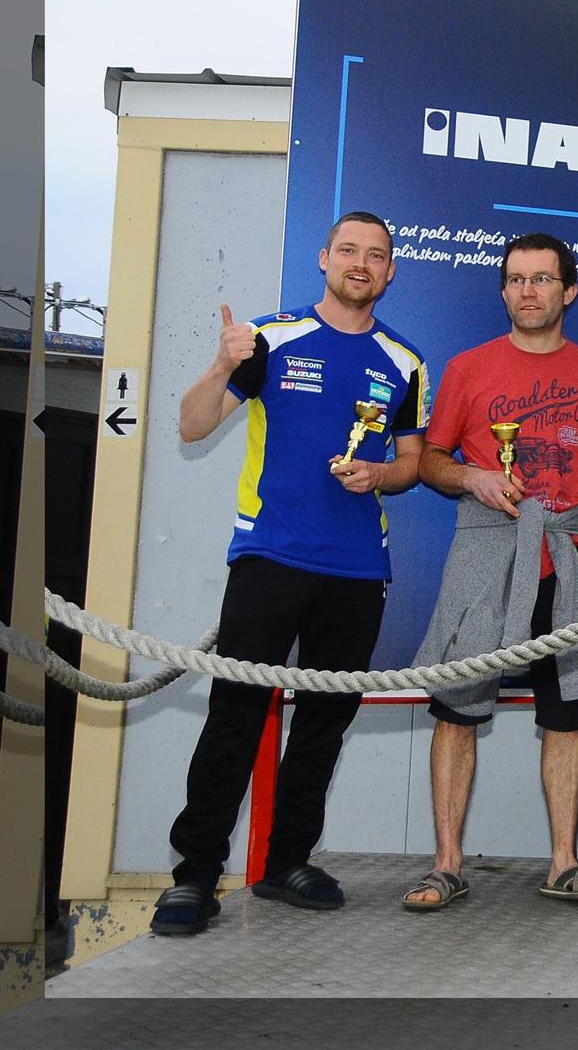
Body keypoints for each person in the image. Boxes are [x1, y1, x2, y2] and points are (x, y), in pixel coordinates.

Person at [153, 212, 428, 935]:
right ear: (324, 258)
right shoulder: (269, 338)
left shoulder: (404, 361)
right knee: (235, 718)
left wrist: (379, 474)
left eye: (376, 255)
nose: (361, 264)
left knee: (322, 727)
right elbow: (191, 426)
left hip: (358, 570)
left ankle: (286, 862)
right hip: (269, 557)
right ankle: (195, 875)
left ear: (391, 271)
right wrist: (221, 365)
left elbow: (410, 463)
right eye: (349, 251)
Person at [399, 233, 578, 911]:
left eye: (541, 279)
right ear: (503, 290)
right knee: (456, 711)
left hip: (565, 562)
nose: (526, 291)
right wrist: (471, 477)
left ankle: (563, 863)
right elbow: (430, 460)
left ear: (569, 290)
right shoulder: (469, 368)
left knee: (565, 715)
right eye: (515, 280)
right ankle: (446, 865)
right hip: (484, 561)